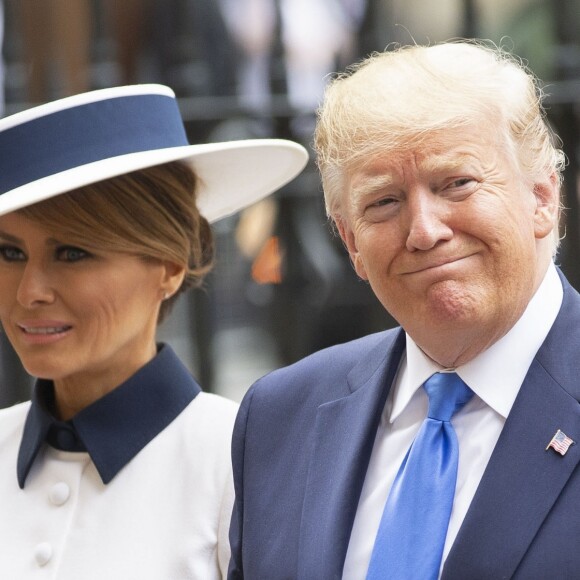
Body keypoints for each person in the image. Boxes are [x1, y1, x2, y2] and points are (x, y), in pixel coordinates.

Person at [228, 40, 579, 579]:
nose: (423, 231)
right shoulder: (280, 418)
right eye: (384, 202)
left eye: (457, 184)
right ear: (351, 243)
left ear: (542, 198)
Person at [0, 84, 307, 578]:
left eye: (73, 253)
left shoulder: (240, 464)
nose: (29, 292)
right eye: (10, 253)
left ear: (169, 266)